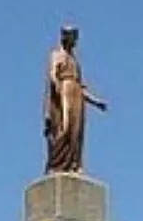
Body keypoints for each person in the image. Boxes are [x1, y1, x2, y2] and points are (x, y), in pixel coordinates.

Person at [44, 24, 107, 174]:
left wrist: (96, 102)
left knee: (76, 131)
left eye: (74, 38)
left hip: (76, 93)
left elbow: (81, 87)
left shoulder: (75, 63)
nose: (73, 41)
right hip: (64, 90)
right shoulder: (56, 55)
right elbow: (53, 73)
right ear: (64, 37)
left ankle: (74, 163)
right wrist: (57, 85)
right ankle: (55, 164)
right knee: (64, 128)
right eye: (71, 37)